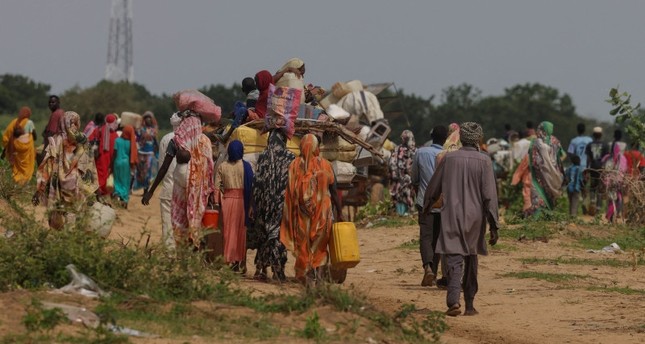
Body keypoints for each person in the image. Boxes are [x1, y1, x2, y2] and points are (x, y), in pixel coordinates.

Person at [423, 122, 499, 317]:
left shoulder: (449, 159)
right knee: (471, 258)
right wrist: (494, 224)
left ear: (460, 138)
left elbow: (434, 187)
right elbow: (489, 195)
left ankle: (453, 300)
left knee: (455, 258)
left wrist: (426, 206)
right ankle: (470, 305)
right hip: (475, 218)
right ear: (479, 139)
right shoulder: (484, 161)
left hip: (451, 215)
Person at [142, 110, 214, 249]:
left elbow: (163, 167)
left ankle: (175, 254)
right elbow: (210, 167)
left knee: (176, 223)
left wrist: (151, 191)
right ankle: (192, 252)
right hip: (198, 191)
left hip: (175, 189)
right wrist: (210, 190)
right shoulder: (204, 141)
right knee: (194, 222)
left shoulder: (175, 140)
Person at [280, 134, 343, 284]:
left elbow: (289, 192)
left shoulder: (294, 165)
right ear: (316, 148)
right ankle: (319, 276)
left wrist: (290, 214)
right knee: (320, 246)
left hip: (302, 216)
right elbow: (334, 190)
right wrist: (340, 212)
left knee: (304, 245)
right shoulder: (325, 164)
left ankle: (307, 275)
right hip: (323, 214)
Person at [33, 111, 99, 229]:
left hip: (57, 184)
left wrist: (39, 189)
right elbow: (89, 165)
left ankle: (58, 237)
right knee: (72, 212)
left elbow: (47, 166)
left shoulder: (55, 140)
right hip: (75, 184)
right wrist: (93, 190)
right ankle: (69, 238)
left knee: (57, 211)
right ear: (77, 122)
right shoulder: (83, 140)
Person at [252, 129, 295, 281]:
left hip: (265, 203)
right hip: (281, 204)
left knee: (263, 235)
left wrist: (256, 202)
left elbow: (257, 181)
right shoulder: (291, 157)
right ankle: (278, 270)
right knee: (278, 236)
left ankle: (261, 269)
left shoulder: (263, 156)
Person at [411, 125, 447, 287]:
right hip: (444, 203)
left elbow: (414, 178)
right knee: (438, 238)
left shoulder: (420, 152)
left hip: (424, 201)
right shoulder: (448, 156)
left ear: (431, 137)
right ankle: (433, 269)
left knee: (426, 236)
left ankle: (428, 268)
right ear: (445, 139)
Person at [214, 140, 254, 273]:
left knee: (228, 232)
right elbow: (251, 187)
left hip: (227, 201)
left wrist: (217, 201)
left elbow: (217, 187)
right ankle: (238, 262)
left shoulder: (222, 166)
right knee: (240, 232)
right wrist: (251, 206)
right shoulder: (246, 166)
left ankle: (229, 259)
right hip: (242, 202)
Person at [512, 121, 566, 217]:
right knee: (549, 194)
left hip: (537, 175)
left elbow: (530, 155)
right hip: (551, 175)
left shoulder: (535, 141)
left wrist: (544, 164)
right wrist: (553, 166)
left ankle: (538, 217)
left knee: (537, 194)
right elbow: (563, 155)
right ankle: (547, 216)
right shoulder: (555, 141)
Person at [157, 113, 182, 251]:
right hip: (183, 188)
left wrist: (151, 190)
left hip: (167, 187)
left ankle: (169, 252)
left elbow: (162, 166)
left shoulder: (165, 139)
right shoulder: (189, 138)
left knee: (167, 223)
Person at [2, 106, 37, 185]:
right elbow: (35, 136)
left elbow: (8, 136)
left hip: (15, 147)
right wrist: (29, 136)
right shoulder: (29, 122)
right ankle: (24, 182)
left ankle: (17, 181)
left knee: (17, 166)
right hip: (26, 148)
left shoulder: (14, 122)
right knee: (27, 165)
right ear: (28, 114)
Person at [389, 130, 417, 216]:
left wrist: (395, 175)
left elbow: (392, 163)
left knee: (400, 195)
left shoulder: (397, 149)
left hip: (399, 179)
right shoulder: (415, 150)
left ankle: (400, 213)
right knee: (408, 195)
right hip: (409, 179)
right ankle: (408, 212)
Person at [88, 113, 118, 195]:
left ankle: (96, 192)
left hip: (99, 158)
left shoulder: (99, 129)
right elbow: (115, 151)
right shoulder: (115, 136)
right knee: (105, 176)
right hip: (109, 160)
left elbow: (89, 139)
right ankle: (103, 193)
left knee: (98, 175)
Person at [585, 126, 609, 215]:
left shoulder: (589, 145)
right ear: (601, 135)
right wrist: (606, 169)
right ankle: (598, 209)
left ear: (593, 135)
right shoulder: (605, 145)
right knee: (600, 189)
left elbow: (588, 158)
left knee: (592, 187)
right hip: (601, 168)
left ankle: (592, 201)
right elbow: (606, 158)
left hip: (592, 167)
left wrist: (587, 169)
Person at [112, 125, 138, 207]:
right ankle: (125, 200)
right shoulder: (131, 143)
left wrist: (111, 164)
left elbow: (114, 153)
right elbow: (132, 155)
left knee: (117, 180)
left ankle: (117, 194)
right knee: (125, 182)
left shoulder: (117, 140)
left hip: (117, 162)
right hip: (126, 163)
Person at [602, 142, 627, 223]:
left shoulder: (621, 158)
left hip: (617, 183)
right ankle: (610, 217)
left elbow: (623, 170)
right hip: (611, 183)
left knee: (618, 200)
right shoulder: (608, 158)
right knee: (613, 200)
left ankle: (611, 216)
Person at [135, 111, 159, 193]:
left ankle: (146, 189)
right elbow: (137, 138)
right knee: (141, 171)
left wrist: (157, 151)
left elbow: (155, 142)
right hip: (141, 152)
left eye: (149, 119)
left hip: (150, 153)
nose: (148, 120)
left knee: (148, 171)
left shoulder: (154, 130)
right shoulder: (141, 129)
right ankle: (143, 187)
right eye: (146, 119)